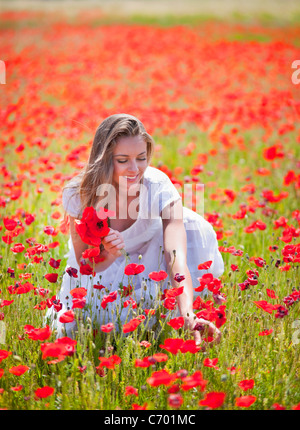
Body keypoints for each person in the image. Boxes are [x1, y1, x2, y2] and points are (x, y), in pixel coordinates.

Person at [46, 113, 224, 345]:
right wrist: (109, 253)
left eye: (141, 158)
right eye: (123, 160)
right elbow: (85, 265)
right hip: (104, 268)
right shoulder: (79, 193)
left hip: (154, 255)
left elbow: (175, 257)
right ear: (104, 159)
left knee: (160, 323)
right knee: (80, 327)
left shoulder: (158, 187)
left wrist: (187, 314)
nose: (135, 169)